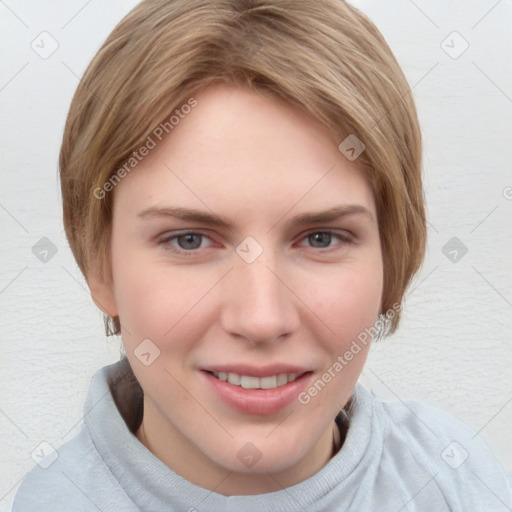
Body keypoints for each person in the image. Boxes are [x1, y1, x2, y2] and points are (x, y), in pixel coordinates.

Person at [12, 0, 512, 510]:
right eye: (189, 240)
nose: (261, 319)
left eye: (321, 238)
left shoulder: (458, 477)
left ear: (392, 254)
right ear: (100, 265)